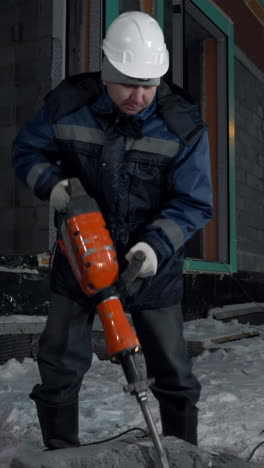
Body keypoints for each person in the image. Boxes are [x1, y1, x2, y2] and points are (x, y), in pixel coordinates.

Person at [12, 11, 213, 450]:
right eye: (127, 83)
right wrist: (54, 186)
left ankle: (182, 452)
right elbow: (25, 152)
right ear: (106, 71)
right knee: (60, 362)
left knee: (173, 369)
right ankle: (61, 452)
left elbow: (195, 202)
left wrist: (155, 247)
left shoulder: (183, 127)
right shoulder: (67, 105)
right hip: (79, 259)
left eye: (148, 84)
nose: (139, 95)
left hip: (152, 269)